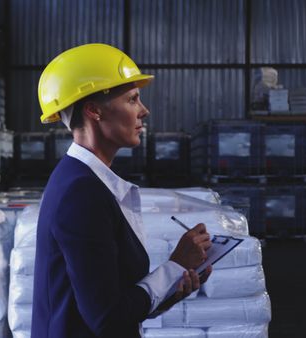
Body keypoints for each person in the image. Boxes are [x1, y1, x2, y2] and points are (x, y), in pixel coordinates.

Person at [32, 43, 213, 338]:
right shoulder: (82, 193)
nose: (144, 111)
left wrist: (173, 286)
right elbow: (106, 320)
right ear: (93, 110)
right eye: (132, 99)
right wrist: (175, 265)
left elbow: (112, 302)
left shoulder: (82, 179)